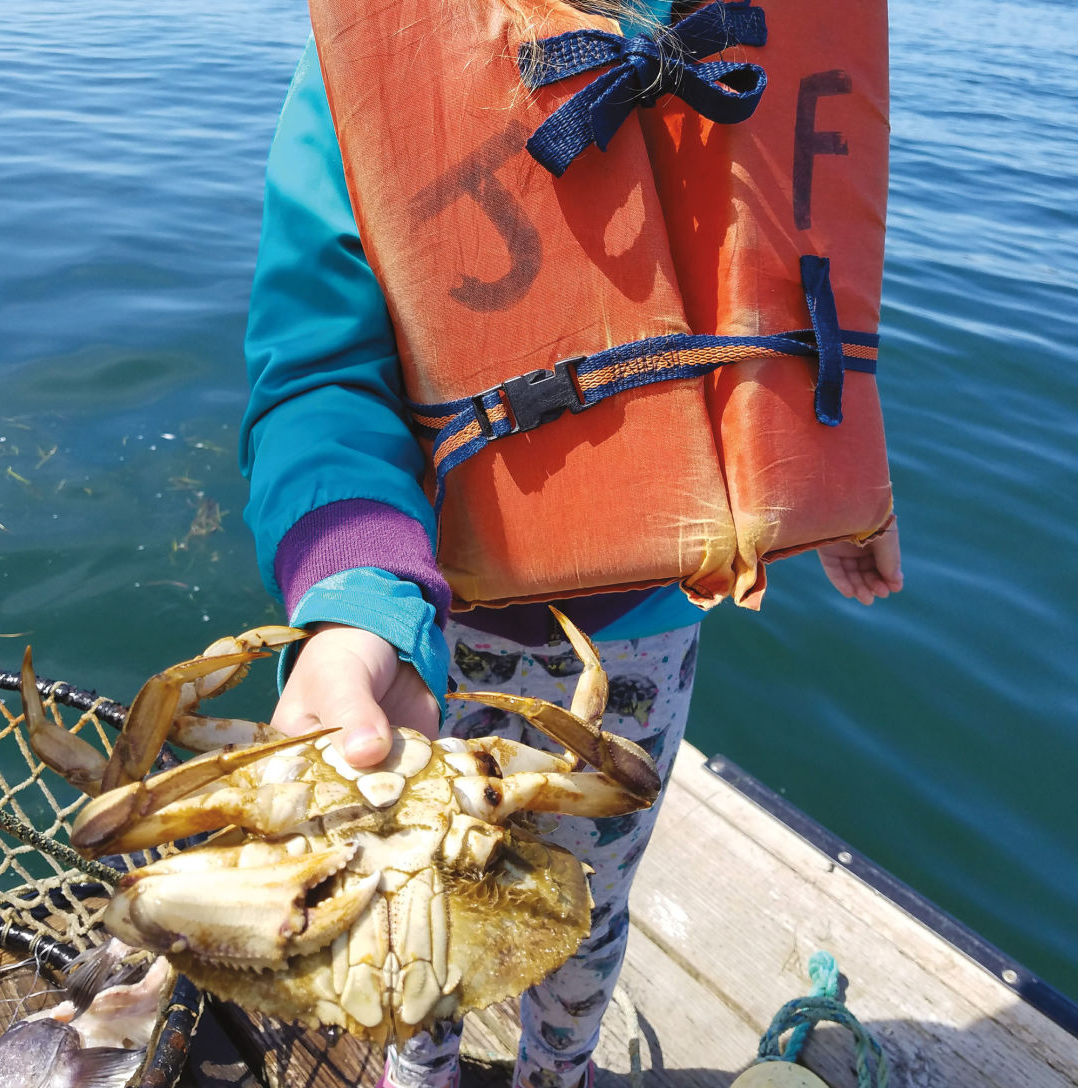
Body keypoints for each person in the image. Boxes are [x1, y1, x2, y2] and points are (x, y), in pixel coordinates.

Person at [239, 0, 902, 1085]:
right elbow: (317, 373)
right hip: (421, 638)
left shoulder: (751, 39)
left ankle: (562, 1069)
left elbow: (798, 301)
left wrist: (846, 486)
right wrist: (356, 598)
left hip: (645, 632)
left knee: (586, 905)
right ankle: (424, 1070)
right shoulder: (368, 60)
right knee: (416, 898)